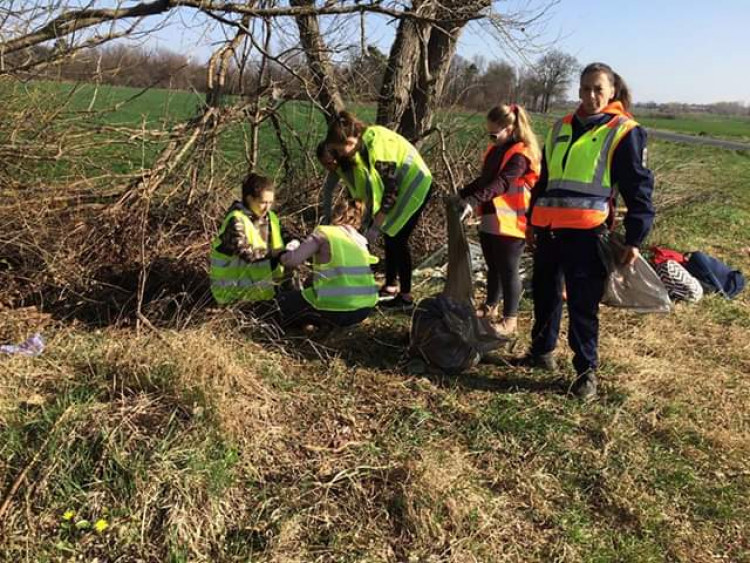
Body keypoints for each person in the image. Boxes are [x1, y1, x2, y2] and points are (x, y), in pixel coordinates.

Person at [521, 62, 655, 400]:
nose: (591, 95)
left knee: (583, 306)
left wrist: (635, 237)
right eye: (585, 89)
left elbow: (638, 189)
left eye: (598, 89)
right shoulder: (560, 127)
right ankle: (542, 352)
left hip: (588, 232)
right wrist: (532, 221)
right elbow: (544, 181)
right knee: (545, 295)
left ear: (612, 91)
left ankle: (585, 373)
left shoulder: (623, 131)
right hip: (550, 228)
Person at [322, 111, 433, 312]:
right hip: (399, 189)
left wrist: (377, 224)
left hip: (415, 186)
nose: (343, 153)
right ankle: (390, 286)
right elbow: (367, 187)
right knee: (391, 237)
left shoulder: (378, 146)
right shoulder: (358, 150)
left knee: (398, 239)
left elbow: (391, 190)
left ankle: (406, 298)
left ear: (353, 137)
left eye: (343, 147)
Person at [456, 103, 540, 336]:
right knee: (493, 265)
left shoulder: (521, 154)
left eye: (495, 134)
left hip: (513, 220)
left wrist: (472, 201)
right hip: (492, 217)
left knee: (509, 269)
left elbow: (502, 182)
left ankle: (510, 319)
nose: (491, 139)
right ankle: (490, 306)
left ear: (510, 127)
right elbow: (485, 180)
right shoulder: (495, 151)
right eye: (489, 134)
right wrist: (461, 195)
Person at [273, 200, 378, 329]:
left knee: (276, 304)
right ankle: (317, 326)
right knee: (308, 289)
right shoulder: (362, 242)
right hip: (363, 310)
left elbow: (292, 261)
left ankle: (311, 324)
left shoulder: (325, 233)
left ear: (334, 214)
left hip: (334, 307)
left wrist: (282, 253)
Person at [209, 173, 286, 306]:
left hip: (263, 294)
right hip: (233, 297)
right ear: (249, 199)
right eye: (263, 202)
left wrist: (294, 244)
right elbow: (246, 253)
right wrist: (277, 254)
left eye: (270, 202)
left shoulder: (271, 217)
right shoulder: (236, 220)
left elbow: (286, 235)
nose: (267, 207)